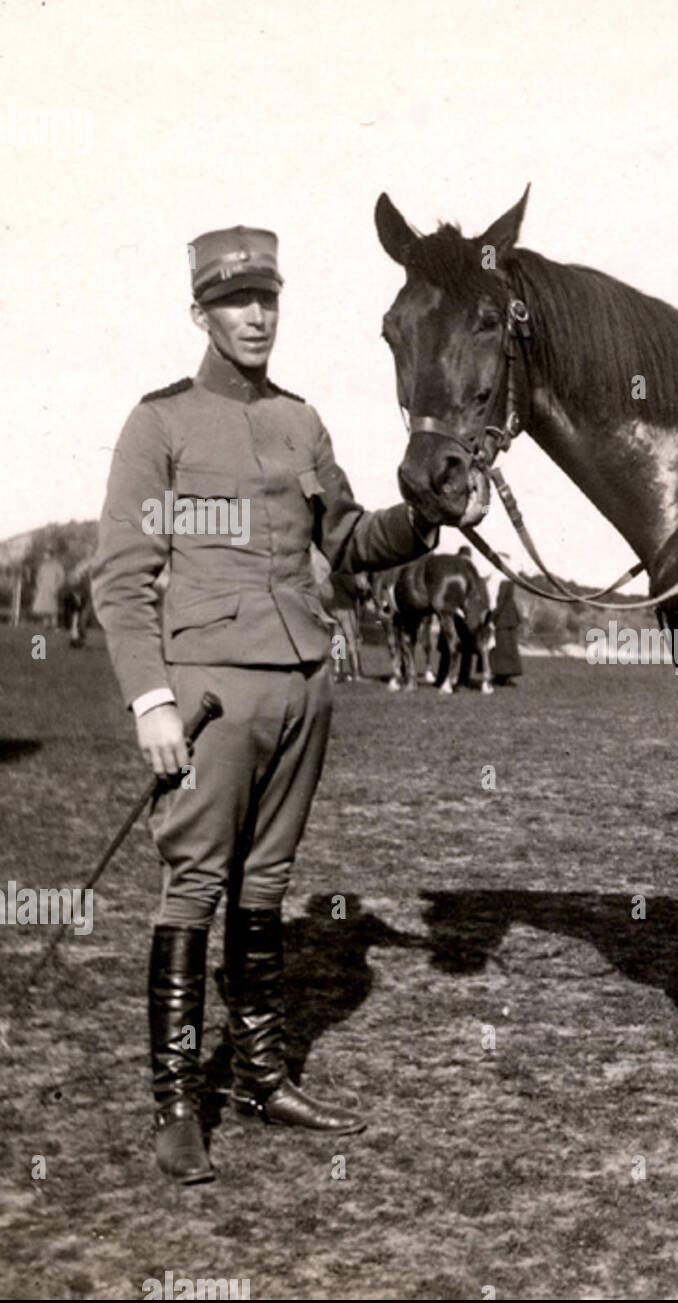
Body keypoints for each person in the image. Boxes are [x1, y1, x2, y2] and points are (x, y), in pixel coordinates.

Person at [92, 225, 437, 1184]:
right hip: (207, 695)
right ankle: (175, 1102)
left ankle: (259, 1076)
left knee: (266, 885)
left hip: (303, 685)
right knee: (195, 885)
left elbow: (352, 538)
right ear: (199, 311)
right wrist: (150, 700)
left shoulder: (301, 422)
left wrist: (430, 515)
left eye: (268, 298)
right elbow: (121, 579)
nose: (255, 315)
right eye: (236, 300)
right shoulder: (158, 424)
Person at [490, 578, 523, 686]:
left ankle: (502, 677)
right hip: (507, 617)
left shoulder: (504, 579)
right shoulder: (507, 579)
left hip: (503, 618)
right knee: (506, 648)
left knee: (503, 648)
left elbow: (501, 600)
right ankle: (503, 676)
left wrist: (492, 617)